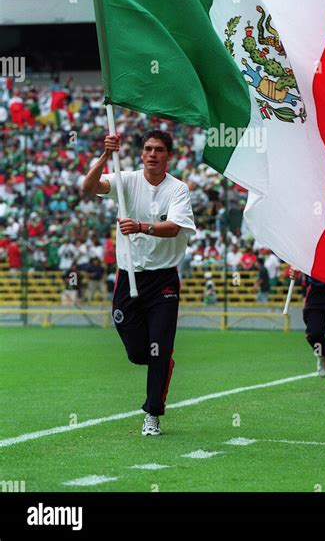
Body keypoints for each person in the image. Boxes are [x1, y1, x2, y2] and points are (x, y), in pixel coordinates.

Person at [81, 128, 196, 436]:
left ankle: (153, 413)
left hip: (163, 280)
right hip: (128, 275)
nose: (152, 155)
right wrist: (106, 154)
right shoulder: (126, 178)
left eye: (159, 150)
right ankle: (158, 362)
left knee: (160, 347)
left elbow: (174, 228)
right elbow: (89, 186)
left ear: (169, 156)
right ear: (141, 153)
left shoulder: (178, 190)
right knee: (137, 353)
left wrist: (142, 227)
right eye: (147, 149)